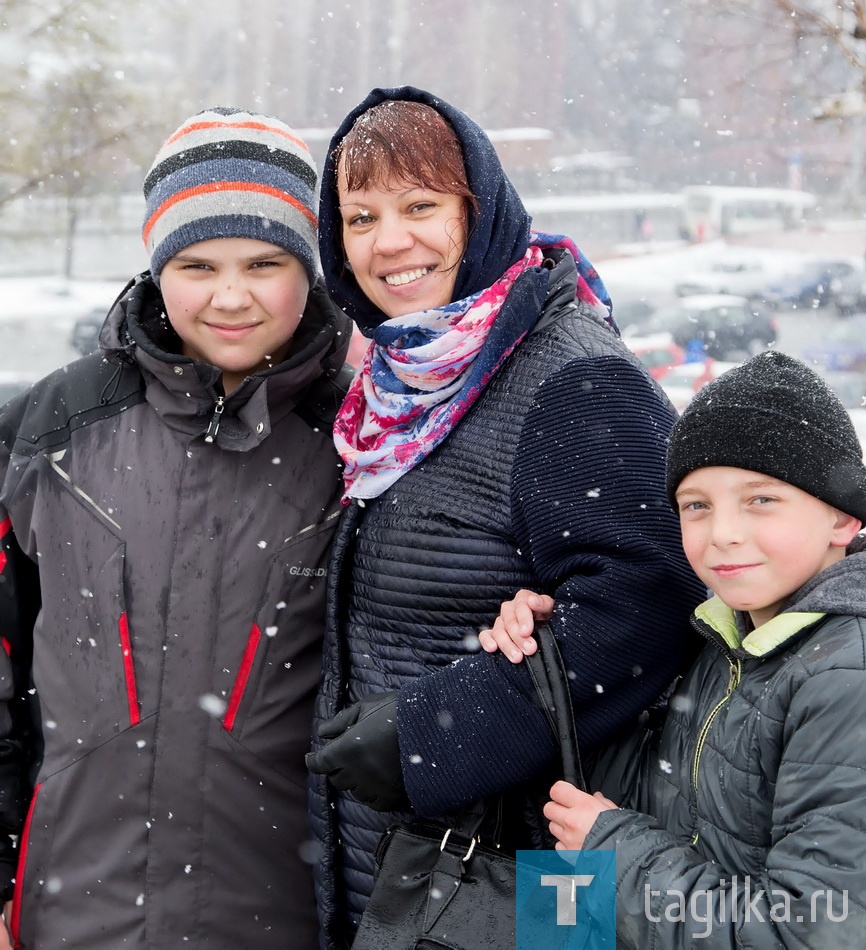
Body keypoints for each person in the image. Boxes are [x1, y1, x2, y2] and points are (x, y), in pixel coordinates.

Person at [304, 85, 706, 948]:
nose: (390, 242)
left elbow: (651, 602)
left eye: (421, 206)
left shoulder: (568, 377)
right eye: (360, 215)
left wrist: (432, 737)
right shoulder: (398, 388)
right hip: (405, 872)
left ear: (480, 213)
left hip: (517, 872)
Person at [0, 108, 351, 949]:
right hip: (72, 915)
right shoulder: (51, 429)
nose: (231, 296)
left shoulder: (364, 441)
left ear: (310, 268)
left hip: (282, 917)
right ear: (158, 268)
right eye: (197, 264)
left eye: (265, 263)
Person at [490, 351, 866, 946]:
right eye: (697, 506)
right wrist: (549, 647)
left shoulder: (846, 675)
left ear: (843, 518)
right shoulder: (720, 639)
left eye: (760, 499)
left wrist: (608, 848)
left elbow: (811, 932)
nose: (722, 533)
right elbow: (628, 804)